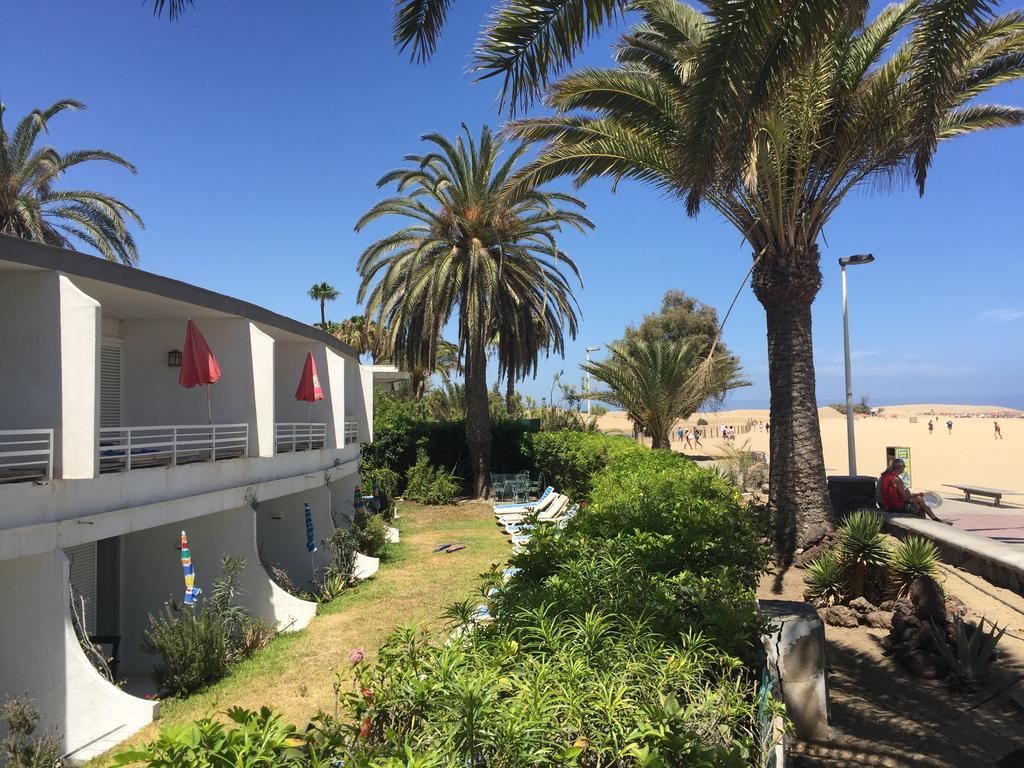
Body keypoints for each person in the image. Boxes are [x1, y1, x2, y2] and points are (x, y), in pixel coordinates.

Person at [880, 459, 950, 524]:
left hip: (888, 506)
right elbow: (905, 498)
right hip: (897, 508)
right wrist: (915, 495)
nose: (904, 468)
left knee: (919, 503)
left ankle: (928, 521)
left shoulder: (885, 476)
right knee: (919, 500)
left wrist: (915, 494)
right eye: (904, 466)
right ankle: (935, 519)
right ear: (901, 467)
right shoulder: (897, 479)